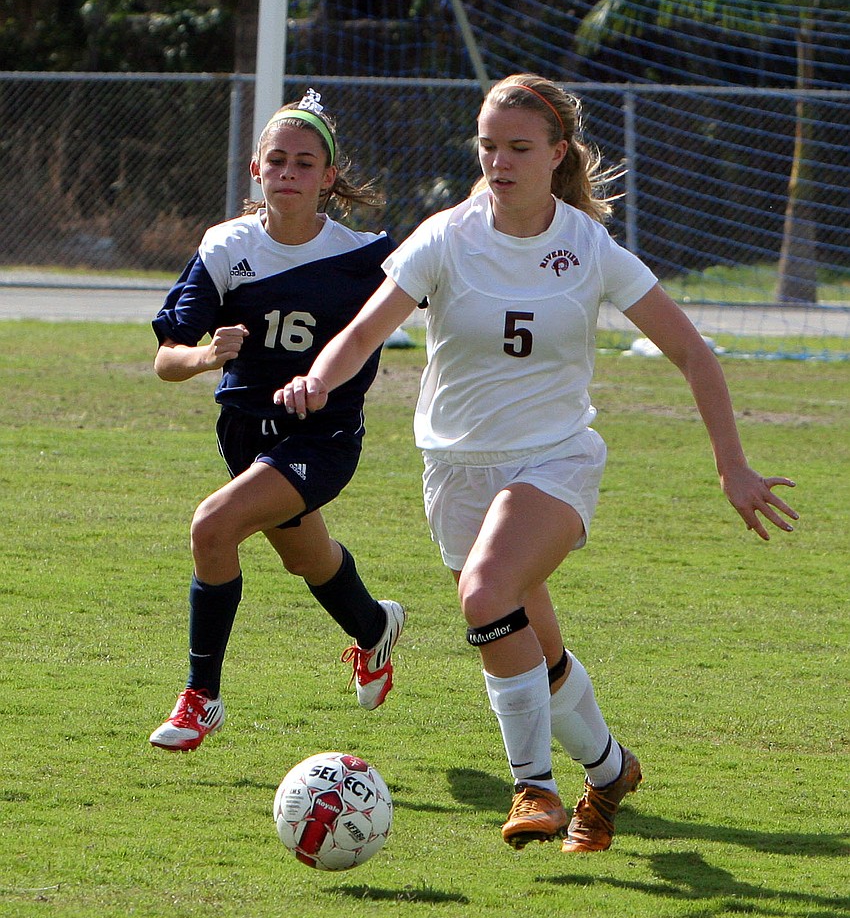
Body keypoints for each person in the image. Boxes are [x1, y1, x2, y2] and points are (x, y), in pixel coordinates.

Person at [275, 73, 798, 854]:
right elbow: (363, 330)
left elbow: (691, 350)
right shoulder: (446, 235)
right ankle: (611, 770)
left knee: (487, 595)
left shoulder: (588, 246)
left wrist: (732, 466)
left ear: (558, 154)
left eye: (519, 147)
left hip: (554, 459)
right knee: (531, 648)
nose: (500, 161)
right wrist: (320, 374)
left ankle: (535, 787)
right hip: (454, 467)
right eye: (488, 146)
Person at [148, 89, 405, 752]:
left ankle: (201, 697)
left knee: (212, 525)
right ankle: (375, 628)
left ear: (328, 177)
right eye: (276, 160)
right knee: (309, 558)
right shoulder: (226, 247)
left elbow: (449, 301)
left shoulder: (366, 256)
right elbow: (164, 359)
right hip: (244, 432)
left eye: (304, 162)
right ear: (257, 171)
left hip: (321, 436)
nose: (288, 172)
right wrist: (206, 355)